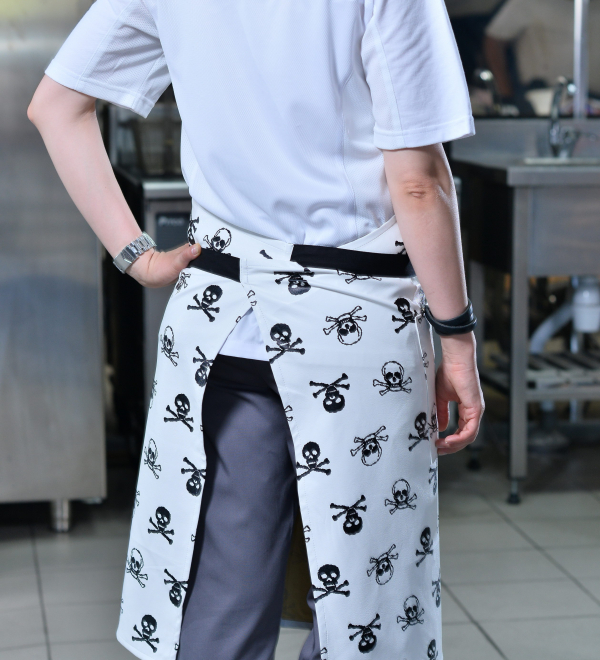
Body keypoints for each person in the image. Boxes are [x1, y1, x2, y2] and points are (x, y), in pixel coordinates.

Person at [28, 0, 484, 658]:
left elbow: (56, 105)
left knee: (222, 599)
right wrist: (458, 340)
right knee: (367, 599)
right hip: (352, 334)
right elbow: (417, 182)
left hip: (222, 327)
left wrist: (136, 256)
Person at [485, 0, 600, 105]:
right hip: (544, 98)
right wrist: (505, 95)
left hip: (594, 99)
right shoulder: (527, 2)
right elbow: (494, 42)